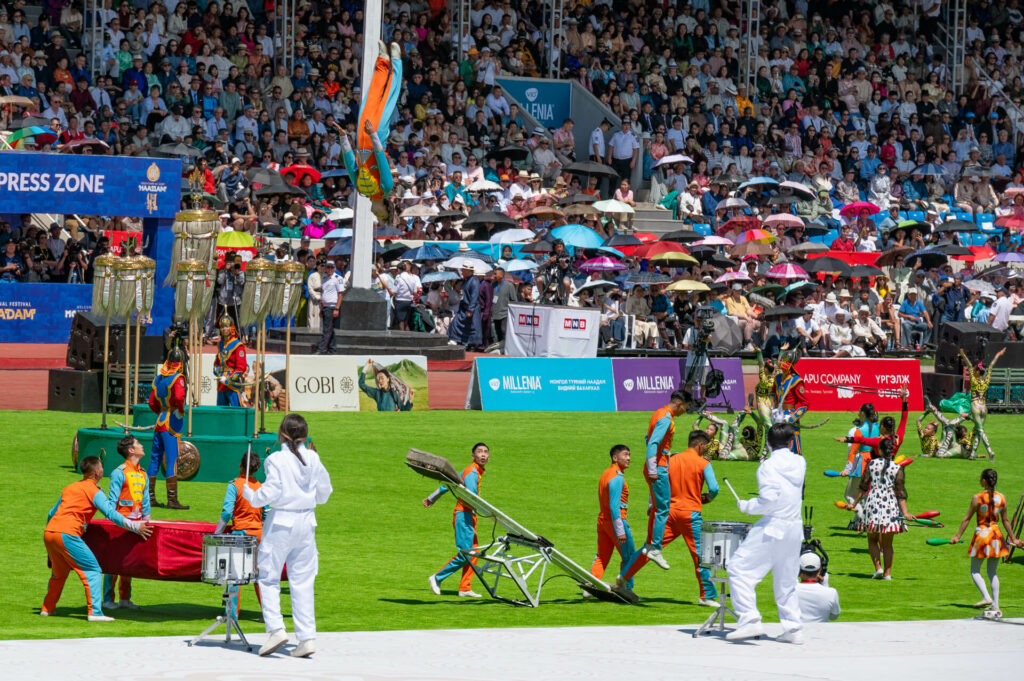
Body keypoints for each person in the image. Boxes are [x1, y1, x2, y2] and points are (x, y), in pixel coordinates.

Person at [242, 414, 333, 658]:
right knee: (303, 581)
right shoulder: (313, 457)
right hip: (306, 521)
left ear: (282, 434)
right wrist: (308, 500)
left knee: (268, 576)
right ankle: (307, 638)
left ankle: (276, 629)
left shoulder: (277, 459)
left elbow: (272, 491)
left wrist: (251, 495)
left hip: (282, 521)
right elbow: (325, 490)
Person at [41, 456, 153, 621]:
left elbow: (51, 513)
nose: (103, 470)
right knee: (93, 570)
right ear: (96, 472)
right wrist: (136, 527)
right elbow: (111, 514)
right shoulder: (95, 491)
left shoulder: (69, 487)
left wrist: (51, 540)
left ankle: (47, 609)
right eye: (101, 467)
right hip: (68, 534)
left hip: (50, 533)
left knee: (59, 573)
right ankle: (95, 613)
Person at [617, 430, 720, 607]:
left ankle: (624, 576)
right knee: (700, 555)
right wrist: (707, 498)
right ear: (701, 445)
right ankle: (706, 595)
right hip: (690, 515)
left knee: (650, 548)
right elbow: (714, 489)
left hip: (668, 514)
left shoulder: (671, 459)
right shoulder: (704, 463)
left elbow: (656, 480)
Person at [726, 423, 806, 643]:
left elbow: (769, 500)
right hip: (794, 527)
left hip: (774, 526)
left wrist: (747, 506)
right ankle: (793, 629)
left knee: (738, 569)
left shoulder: (767, 467)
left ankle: (750, 620)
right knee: (786, 581)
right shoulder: (800, 462)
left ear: (768, 443)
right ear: (790, 442)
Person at [949, 469, 1022, 617]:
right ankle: (995, 604)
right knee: (992, 572)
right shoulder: (1002, 497)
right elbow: (1006, 520)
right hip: (996, 536)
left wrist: (957, 536)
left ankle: (986, 597)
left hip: (982, 535)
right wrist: (1013, 538)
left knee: (975, 570)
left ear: (984, 481)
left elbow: (967, 519)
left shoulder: (977, 498)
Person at [424, 442, 490, 598]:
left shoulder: (472, 471)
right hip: (464, 515)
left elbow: (449, 483)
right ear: (473, 456)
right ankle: (437, 577)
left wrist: (432, 498)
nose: (483, 454)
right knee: (466, 553)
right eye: (479, 452)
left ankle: (465, 588)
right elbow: (472, 497)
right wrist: (490, 513)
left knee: (474, 553)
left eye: (486, 452)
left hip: (468, 515)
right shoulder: (472, 472)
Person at [847, 435, 915, 580]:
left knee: (872, 540)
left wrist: (853, 504)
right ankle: (887, 574)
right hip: (890, 505)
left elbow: (863, 487)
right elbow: (901, 493)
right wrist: (906, 512)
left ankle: (878, 568)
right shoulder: (898, 468)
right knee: (888, 544)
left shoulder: (871, 464)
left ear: (879, 450)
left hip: (873, 503)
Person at [641, 389, 692, 569]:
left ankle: (650, 545)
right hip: (658, 468)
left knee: (656, 507)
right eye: (685, 407)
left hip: (654, 465)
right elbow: (653, 442)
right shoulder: (666, 419)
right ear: (679, 403)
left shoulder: (658, 413)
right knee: (663, 509)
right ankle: (655, 548)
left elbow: (647, 438)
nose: (685, 411)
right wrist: (655, 467)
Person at [102, 435, 151, 611]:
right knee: (112, 563)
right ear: (131, 450)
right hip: (119, 524)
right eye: (138, 444)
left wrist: (146, 521)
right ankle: (108, 599)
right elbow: (111, 502)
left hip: (138, 525)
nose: (142, 446)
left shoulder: (143, 473)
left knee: (129, 562)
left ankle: (124, 598)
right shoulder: (119, 472)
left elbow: (146, 501)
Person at [215, 450, 265, 614]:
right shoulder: (260, 487)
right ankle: (268, 614)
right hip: (258, 534)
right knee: (258, 575)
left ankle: (231, 614)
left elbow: (227, 513)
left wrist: (217, 533)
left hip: (241, 534)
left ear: (240, 465)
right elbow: (267, 513)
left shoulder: (234, 485)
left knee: (234, 574)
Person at [589, 444, 636, 593]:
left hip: (602, 521)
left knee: (602, 555)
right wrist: (621, 530)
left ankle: (591, 584)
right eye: (625, 455)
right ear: (615, 458)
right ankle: (627, 589)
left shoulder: (605, 474)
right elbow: (615, 506)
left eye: (629, 455)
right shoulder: (617, 477)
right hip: (615, 522)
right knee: (630, 556)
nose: (629, 458)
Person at [147, 347, 188, 509]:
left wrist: (161, 412)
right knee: (172, 461)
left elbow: (151, 402)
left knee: (155, 459)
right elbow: (179, 397)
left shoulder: (158, 378)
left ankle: (150, 498)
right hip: (171, 423)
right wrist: (181, 410)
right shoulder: (178, 378)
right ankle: (172, 500)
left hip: (160, 421)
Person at [959, 347, 1005, 459]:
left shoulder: (974, 380)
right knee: (977, 430)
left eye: (975, 370)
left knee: (980, 430)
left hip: (975, 405)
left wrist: (963, 355)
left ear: (978, 372)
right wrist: (998, 355)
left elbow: (969, 365)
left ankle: (990, 451)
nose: (973, 371)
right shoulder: (986, 380)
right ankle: (973, 453)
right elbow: (991, 367)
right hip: (984, 407)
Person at [795, 552, 841, 623]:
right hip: (820, 633)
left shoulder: (790, 592)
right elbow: (834, 616)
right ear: (819, 570)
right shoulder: (831, 593)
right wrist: (826, 586)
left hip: (795, 633)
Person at [213, 315, 247, 407]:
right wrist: (216, 370)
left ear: (231, 327)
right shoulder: (220, 344)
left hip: (233, 385)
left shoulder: (238, 345)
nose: (224, 329)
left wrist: (229, 378)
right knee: (221, 413)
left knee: (236, 412)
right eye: (222, 327)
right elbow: (217, 362)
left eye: (226, 326)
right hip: (221, 384)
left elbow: (241, 368)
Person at [318, 260, 343, 354]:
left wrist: (337, 308)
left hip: (332, 306)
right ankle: (332, 349)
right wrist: (321, 309)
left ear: (335, 268)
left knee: (326, 330)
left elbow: (340, 294)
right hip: (325, 306)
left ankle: (322, 349)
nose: (329, 269)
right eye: (328, 267)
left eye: (331, 267)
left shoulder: (338, 278)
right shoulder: (324, 278)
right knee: (329, 329)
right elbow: (323, 294)